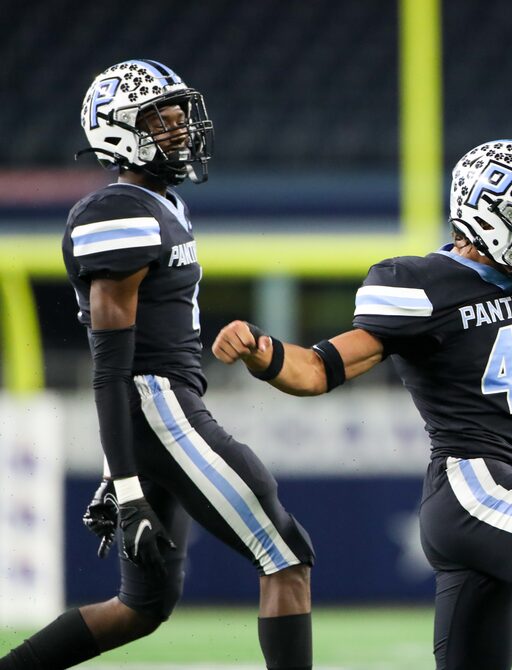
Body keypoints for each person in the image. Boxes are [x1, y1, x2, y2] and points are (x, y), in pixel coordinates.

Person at [212, 139, 512, 670]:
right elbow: (318, 369)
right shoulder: (425, 286)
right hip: (476, 487)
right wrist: (263, 353)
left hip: (479, 497)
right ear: (488, 219)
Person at [0, 60, 314, 670]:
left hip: (157, 413)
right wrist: (126, 483)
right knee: (287, 556)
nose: (180, 131)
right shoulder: (117, 213)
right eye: (162, 121)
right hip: (160, 406)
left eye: (178, 119)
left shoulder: (155, 203)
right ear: (119, 133)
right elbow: (112, 370)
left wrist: (132, 466)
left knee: (141, 606)